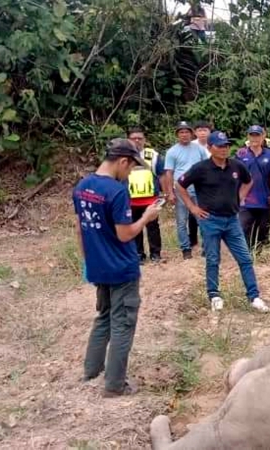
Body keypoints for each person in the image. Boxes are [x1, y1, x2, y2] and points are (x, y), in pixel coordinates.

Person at [75, 138, 162, 397]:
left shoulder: (83, 186)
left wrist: (87, 261)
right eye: (131, 167)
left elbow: (79, 228)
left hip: (98, 266)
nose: (130, 173)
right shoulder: (116, 191)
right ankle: (114, 385)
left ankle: (92, 372)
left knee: (103, 317)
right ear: (122, 161)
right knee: (123, 322)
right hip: (121, 268)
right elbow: (125, 234)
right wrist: (146, 217)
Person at [177, 130, 270, 313]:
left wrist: (240, 198)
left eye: (226, 145)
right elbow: (180, 184)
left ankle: (254, 296)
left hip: (232, 220)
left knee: (244, 258)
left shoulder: (236, 166)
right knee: (212, 259)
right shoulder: (200, 168)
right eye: (219, 146)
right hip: (210, 220)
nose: (224, 149)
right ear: (210, 148)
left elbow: (248, 181)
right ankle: (214, 295)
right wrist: (192, 207)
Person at [163, 121, 209, 260]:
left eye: (187, 132)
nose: (184, 135)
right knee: (181, 221)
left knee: (203, 219)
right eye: (181, 132)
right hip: (180, 189)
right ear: (177, 134)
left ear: (191, 133)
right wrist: (169, 192)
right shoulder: (172, 151)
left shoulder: (199, 148)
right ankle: (185, 249)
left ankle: (206, 248)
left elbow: (206, 166)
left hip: (198, 189)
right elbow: (169, 173)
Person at [235, 125, 270, 252]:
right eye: (252, 135)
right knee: (244, 226)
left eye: (257, 135)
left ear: (263, 136)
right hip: (246, 198)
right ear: (248, 137)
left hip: (264, 197)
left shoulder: (269, 154)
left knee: (263, 226)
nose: (255, 138)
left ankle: (257, 249)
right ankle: (245, 251)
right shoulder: (241, 153)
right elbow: (235, 174)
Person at [125, 127, 165, 264]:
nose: (137, 141)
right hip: (130, 200)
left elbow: (161, 175)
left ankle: (155, 254)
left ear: (145, 140)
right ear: (128, 140)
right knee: (135, 228)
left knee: (153, 227)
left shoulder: (152, 155)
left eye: (140, 138)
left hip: (151, 199)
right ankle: (138, 254)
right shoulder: (122, 156)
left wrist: (164, 194)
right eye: (133, 138)